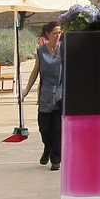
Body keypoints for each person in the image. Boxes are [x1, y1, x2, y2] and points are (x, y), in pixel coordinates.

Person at [21, 22, 64, 170]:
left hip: (60, 94)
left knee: (58, 128)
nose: (58, 35)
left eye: (60, 32)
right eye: (55, 33)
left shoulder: (64, 49)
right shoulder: (41, 51)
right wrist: (25, 91)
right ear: (47, 35)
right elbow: (35, 72)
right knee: (44, 128)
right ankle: (48, 147)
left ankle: (55, 159)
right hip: (45, 95)